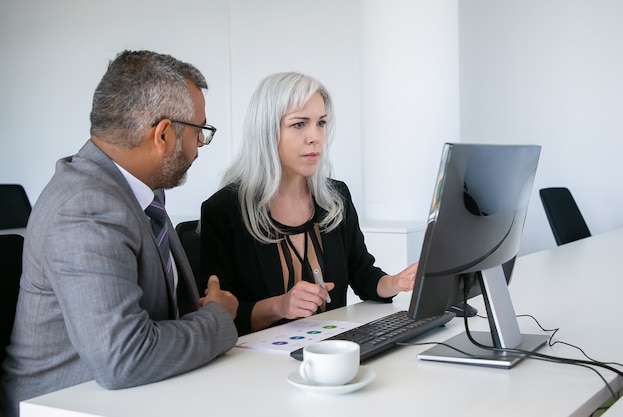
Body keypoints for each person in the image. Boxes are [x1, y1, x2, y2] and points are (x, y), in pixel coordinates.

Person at [1, 50, 238, 417]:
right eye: (199, 132)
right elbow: (125, 358)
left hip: (139, 395)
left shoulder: (138, 190)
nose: (199, 147)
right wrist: (218, 318)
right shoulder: (84, 208)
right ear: (162, 134)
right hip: (68, 404)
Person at [199, 72, 416, 336]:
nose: (315, 136)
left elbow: (364, 276)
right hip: (259, 365)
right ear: (267, 131)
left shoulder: (336, 198)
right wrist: (280, 306)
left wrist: (396, 282)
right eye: (299, 124)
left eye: (321, 123)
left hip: (331, 351)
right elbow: (223, 317)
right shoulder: (224, 211)